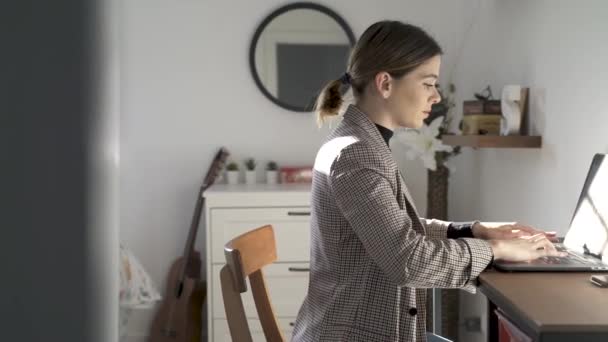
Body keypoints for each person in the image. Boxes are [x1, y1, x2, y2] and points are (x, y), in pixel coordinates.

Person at [291, 20, 565, 342]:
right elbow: (408, 260)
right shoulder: (357, 154)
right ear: (385, 84)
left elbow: (394, 229)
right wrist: (496, 248)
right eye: (428, 83)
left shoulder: (361, 142)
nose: (436, 97)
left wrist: (474, 230)